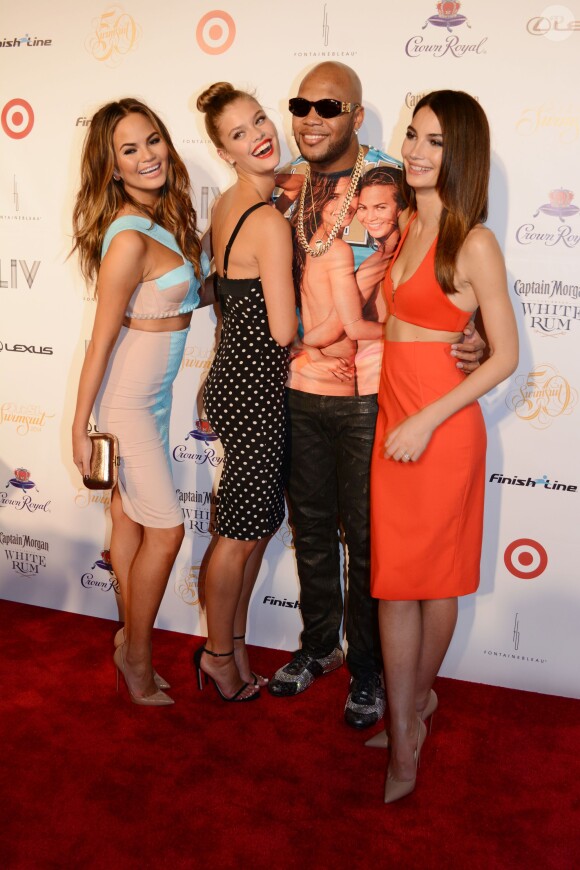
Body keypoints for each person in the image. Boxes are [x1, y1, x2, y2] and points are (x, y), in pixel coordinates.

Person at [268, 62, 485, 730]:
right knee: (309, 530)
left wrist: (470, 332)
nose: (312, 117)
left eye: (328, 106)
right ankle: (316, 648)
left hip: (375, 394)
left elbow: (446, 263)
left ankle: (368, 672)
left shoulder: (398, 179)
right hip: (301, 384)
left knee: (370, 545)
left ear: (357, 116)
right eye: (301, 104)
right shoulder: (282, 185)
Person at [368, 90, 518, 802]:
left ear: (463, 154)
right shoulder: (402, 226)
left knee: (432, 583)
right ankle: (409, 713)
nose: (418, 151)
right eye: (414, 135)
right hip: (393, 417)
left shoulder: (474, 239)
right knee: (395, 584)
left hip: (441, 426)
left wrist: (430, 418)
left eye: (436, 142)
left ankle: (407, 733)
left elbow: (505, 355)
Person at [71, 98, 209, 705]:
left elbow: (186, 299)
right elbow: (101, 340)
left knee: (127, 519)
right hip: (127, 404)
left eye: (152, 140)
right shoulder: (127, 238)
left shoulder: (164, 217)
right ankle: (138, 656)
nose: (148, 155)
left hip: (152, 400)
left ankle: (129, 637)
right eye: (130, 149)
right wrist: (81, 427)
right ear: (112, 166)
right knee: (169, 531)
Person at [193, 83, 298, 702]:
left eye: (258, 119)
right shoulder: (267, 223)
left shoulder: (232, 204)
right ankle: (218, 656)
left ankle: (230, 641)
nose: (258, 134)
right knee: (240, 531)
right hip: (256, 386)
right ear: (224, 150)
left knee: (251, 524)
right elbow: (284, 329)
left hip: (234, 380)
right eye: (239, 133)